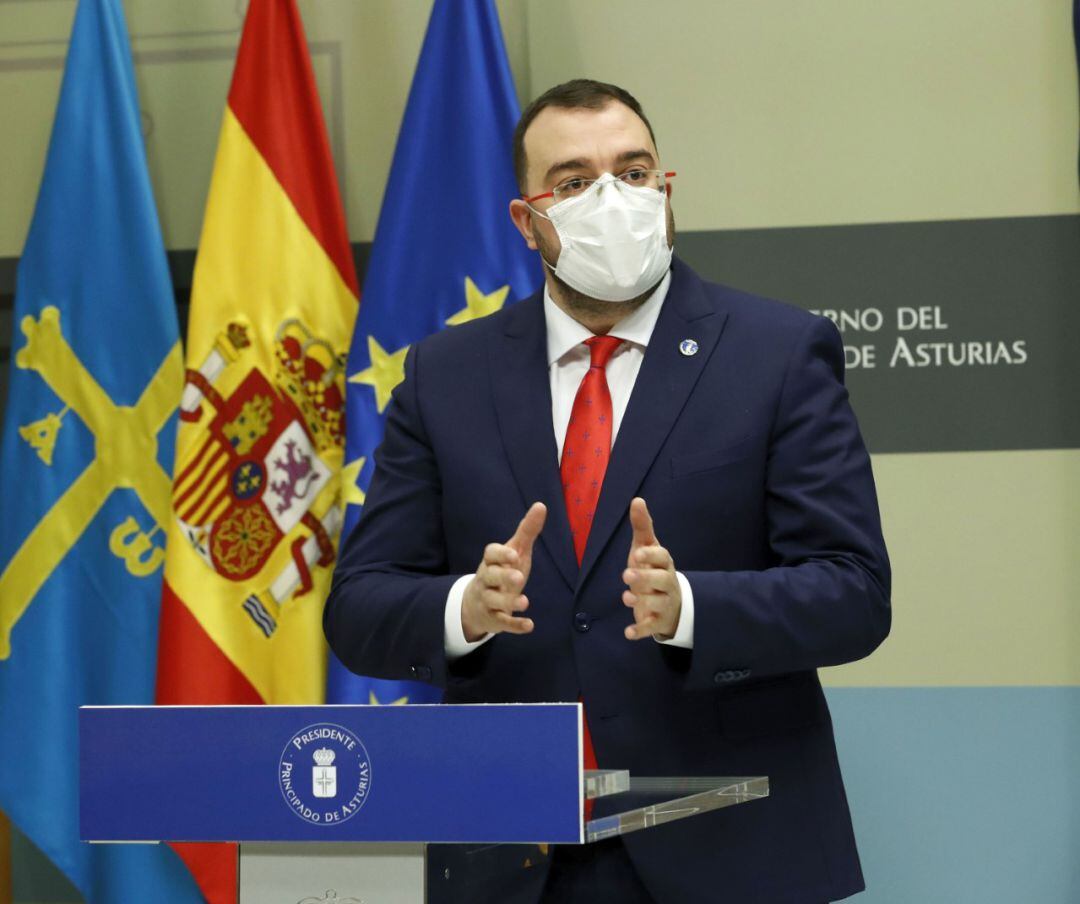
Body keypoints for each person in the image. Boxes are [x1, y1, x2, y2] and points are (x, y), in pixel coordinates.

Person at [325, 79, 891, 904]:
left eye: (632, 172)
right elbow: (360, 609)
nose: (612, 199)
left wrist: (693, 609)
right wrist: (463, 611)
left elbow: (854, 591)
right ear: (527, 220)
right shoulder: (445, 375)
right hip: (510, 854)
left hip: (725, 850)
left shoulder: (776, 354)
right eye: (574, 181)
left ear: (666, 191)